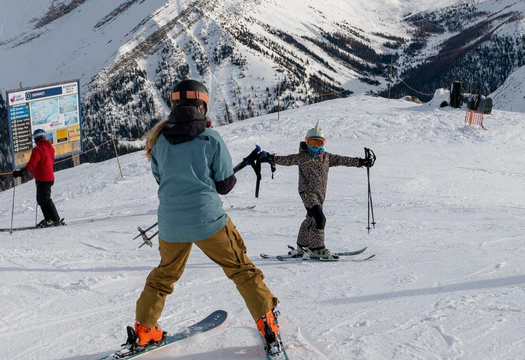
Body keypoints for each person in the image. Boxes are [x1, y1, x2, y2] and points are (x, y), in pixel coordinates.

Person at [121, 79, 281, 355]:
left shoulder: (158, 140)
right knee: (241, 270)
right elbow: (224, 184)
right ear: (202, 104)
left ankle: (144, 331)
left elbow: (161, 179)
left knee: (163, 277)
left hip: (171, 224)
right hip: (208, 221)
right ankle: (267, 323)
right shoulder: (210, 138)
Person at [269, 121, 372, 259]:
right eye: (312, 143)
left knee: (311, 219)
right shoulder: (302, 157)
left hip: (320, 195)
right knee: (319, 218)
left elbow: (343, 160)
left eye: (318, 143)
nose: (315, 146)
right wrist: (270, 158)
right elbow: (286, 160)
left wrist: (360, 162)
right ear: (306, 142)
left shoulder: (327, 158)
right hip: (307, 193)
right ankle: (317, 249)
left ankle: (303, 246)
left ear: (324, 143)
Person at [13, 129, 64, 228]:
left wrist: (21, 172)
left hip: (43, 178)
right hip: (48, 177)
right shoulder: (50, 148)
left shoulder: (38, 149)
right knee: (41, 200)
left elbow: (32, 164)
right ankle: (48, 219)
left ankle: (54, 219)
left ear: (36, 138)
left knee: (45, 199)